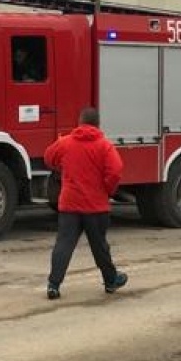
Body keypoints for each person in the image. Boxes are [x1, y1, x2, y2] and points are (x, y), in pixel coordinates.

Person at [43, 107, 128, 300]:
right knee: (99, 246)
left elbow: (48, 157)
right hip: (96, 206)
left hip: (69, 205)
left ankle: (53, 285)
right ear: (98, 124)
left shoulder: (65, 143)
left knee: (64, 244)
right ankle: (110, 280)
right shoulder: (105, 146)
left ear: (80, 122)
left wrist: (61, 167)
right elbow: (115, 171)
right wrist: (108, 190)